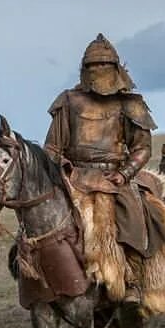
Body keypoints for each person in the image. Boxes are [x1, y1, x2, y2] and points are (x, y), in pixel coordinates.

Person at [44, 34, 156, 302]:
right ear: (84, 69)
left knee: (133, 216)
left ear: (115, 67)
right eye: (92, 65)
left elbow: (142, 148)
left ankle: (132, 278)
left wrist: (124, 174)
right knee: (42, 220)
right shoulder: (69, 100)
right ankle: (40, 275)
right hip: (75, 177)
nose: (97, 70)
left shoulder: (130, 103)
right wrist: (64, 167)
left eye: (103, 64)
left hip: (114, 176)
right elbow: (52, 147)